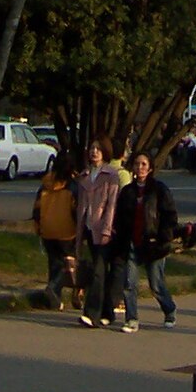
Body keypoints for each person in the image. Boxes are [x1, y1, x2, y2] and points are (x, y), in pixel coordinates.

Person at [109, 149, 179, 330]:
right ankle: (131, 319)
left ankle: (169, 309)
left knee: (155, 284)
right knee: (129, 284)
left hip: (153, 244)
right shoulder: (127, 191)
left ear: (150, 168)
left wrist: (163, 236)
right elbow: (120, 217)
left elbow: (170, 216)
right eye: (137, 164)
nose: (140, 168)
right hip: (132, 243)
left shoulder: (159, 190)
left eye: (144, 164)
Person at [74, 136, 121, 326]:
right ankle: (107, 312)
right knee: (99, 271)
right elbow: (81, 207)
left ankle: (91, 313)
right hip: (87, 227)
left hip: (104, 230)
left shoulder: (111, 175)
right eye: (92, 148)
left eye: (98, 149)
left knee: (99, 272)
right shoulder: (84, 175)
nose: (94, 152)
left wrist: (107, 230)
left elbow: (111, 205)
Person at [32, 149, 78, 310]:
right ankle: (53, 288)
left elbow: (37, 209)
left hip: (47, 229)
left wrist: (38, 227)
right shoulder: (72, 186)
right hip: (67, 230)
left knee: (54, 263)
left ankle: (55, 299)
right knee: (67, 264)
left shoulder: (46, 183)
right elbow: (76, 209)